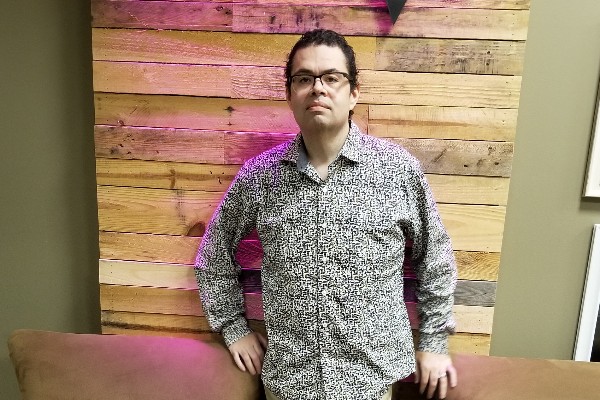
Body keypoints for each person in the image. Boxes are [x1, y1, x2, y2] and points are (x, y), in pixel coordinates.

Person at [195, 29, 458, 400]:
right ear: (289, 95)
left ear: (354, 93)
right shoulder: (260, 176)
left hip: (370, 383)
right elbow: (213, 255)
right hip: (289, 383)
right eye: (304, 79)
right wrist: (233, 327)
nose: (318, 88)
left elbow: (436, 258)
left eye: (332, 78)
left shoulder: (397, 170)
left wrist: (434, 342)